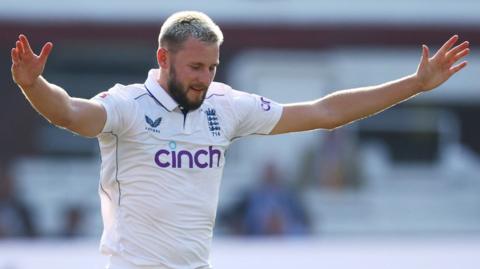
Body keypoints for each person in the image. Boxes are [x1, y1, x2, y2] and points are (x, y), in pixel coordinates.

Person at [10, 10, 469, 269]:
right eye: (195, 68)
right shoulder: (128, 105)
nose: (205, 79)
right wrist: (35, 85)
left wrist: (414, 85)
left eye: (212, 68)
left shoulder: (225, 107)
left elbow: (325, 112)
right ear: (162, 58)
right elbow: (70, 113)